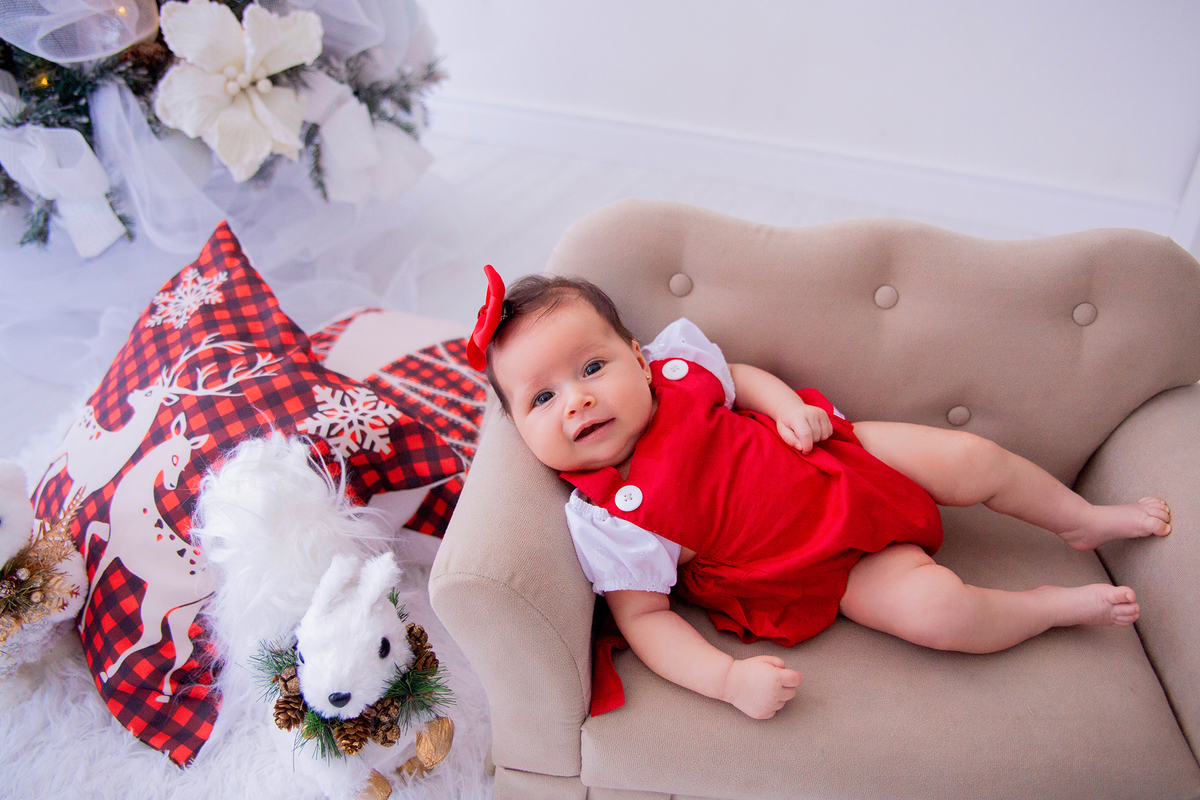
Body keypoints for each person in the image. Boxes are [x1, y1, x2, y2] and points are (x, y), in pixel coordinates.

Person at [465, 265, 1173, 721]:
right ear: (519, 431)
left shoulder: (682, 372)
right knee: (940, 612)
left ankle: (1080, 520)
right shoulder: (610, 518)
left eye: (593, 366)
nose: (578, 402)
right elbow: (646, 620)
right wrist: (726, 681)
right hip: (822, 571)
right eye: (543, 398)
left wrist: (783, 408)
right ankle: (1047, 609)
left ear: (642, 360)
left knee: (972, 457)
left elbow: (739, 375)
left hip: (841, 456)